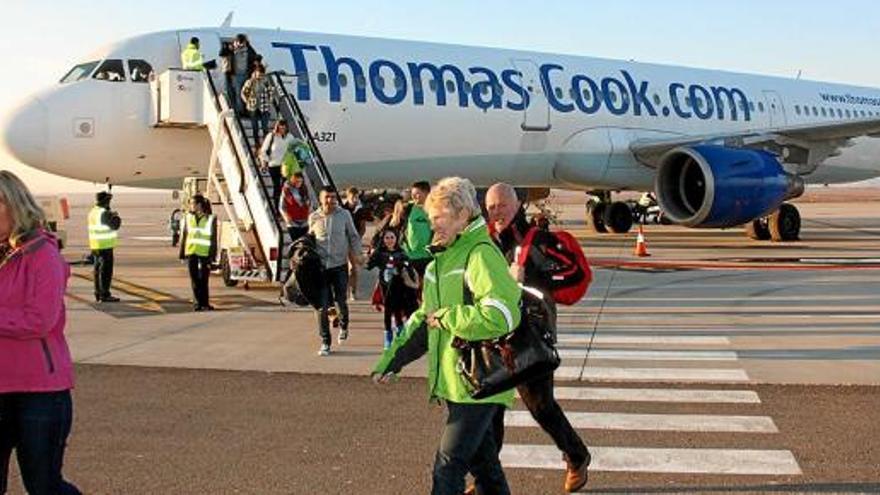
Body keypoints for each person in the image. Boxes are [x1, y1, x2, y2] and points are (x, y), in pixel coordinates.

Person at [373, 177, 520, 495]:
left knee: (447, 469)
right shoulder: (441, 260)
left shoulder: (480, 255)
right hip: (456, 382)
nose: (431, 226)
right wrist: (392, 359)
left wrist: (449, 318)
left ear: (462, 215)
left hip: (479, 382)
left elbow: (503, 315)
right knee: (486, 470)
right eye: (430, 218)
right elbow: (424, 320)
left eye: (438, 218)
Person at [483, 183, 591, 493]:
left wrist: (530, 277)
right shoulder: (485, 243)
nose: (497, 212)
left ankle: (577, 456)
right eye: (491, 207)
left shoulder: (541, 242)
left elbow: (577, 276)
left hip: (532, 340)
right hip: (495, 339)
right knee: (491, 412)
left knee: (542, 408)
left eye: (502, 205)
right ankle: (486, 480)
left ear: (517, 205)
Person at [0, 171, 81, 495]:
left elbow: (39, 320)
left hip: (39, 393)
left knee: (44, 486)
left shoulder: (42, 255)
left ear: (13, 206)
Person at [308, 187, 363, 356]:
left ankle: (344, 325)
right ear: (320, 199)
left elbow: (353, 236)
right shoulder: (314, 217)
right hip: (321, 269)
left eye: (333, 197)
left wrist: (357, 255)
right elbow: (309, 239)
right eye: (327, 197)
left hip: (339, 266)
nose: (331, 200)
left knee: (340, 300)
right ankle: (325, 341)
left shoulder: (344, 215)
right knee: (321, 307)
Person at [366, 228, 419, 349]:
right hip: (385, 287)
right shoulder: (379, 253)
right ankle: (388, 337)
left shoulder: (401, 253)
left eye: (392, 238)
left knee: (398, 309)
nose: (389, 240)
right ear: (383, 240)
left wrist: (404, 267)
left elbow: (409, 266)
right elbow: (368, 265)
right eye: (387, 238)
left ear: (396, 239)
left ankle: (400, 333)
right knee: (388, 310)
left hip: (399, 286)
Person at [178, 194, 218, 312]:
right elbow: (184, 236)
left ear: (199, 205)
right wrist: (182, 254)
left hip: (204, 254)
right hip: (191, 252)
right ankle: (197, 303)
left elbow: (213, 239)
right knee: (194, 279)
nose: (191, 206)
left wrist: (212, 256)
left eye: (192, 204)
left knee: (204, 280)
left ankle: (205, 303)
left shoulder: (210, 218)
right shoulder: (188, 217)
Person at [88, 191, 121, 303]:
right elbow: (115, 225)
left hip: (95, 245)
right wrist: (115, 216)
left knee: (97, 271)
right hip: (105, 246)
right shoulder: (104, 213)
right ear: (105, 201)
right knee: (105, 271)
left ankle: (98, 293)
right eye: (108, 200)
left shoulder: (93, 212)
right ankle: (105, 294)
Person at [260, 120, 297, 209]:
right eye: (280, 128)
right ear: (277, 127)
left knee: (285, 188)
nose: (282, 130)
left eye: (284, 128)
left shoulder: (290, 137)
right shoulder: (271, 136)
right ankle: (277, 209)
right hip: (274, 165)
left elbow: (294, 150)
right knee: (277, 187)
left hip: (285, 166)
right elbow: (263, 151)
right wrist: (267, 161)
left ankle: (285, 208)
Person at [343, 187, 372, 300]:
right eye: (352, 197)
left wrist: (357, 239)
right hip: (343, 241)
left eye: (356, 197)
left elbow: (362, 228)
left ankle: (353, 292)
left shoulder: (360, 210)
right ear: (348, 197)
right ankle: (344, 292)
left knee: (353, 268)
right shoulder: (342, 209)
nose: (355, 199)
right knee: (344, 269)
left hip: (354, 242)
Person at [402, 181, 433, 277]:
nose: (414, 197)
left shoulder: (435, 209)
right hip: (411, 256)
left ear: (427, 193)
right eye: (412, 194)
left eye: (417, 194)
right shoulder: (408, 208)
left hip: (429, 257)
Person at [241, 64, 270, 145]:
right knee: (255, 127)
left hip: (264, 107)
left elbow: (270, 91)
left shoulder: (265, 81)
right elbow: (243, 93)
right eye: (259, 74)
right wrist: (247, 101)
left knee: (265, 127)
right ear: (255, 72)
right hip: (253, 107)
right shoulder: (250, 82)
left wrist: (269, 100)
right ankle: (257, 144)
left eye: (262, 74)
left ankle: (266, 144)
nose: (261, 76)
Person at [280, 172, 310, 242]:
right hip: (293, 223)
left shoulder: (305, 189)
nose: (298, 183)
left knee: (305, 244)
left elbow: (309, 204)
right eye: (296, 181)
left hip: (305, 222)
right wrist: (286, 216)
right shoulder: (286, 190)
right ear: (292, 181)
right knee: (296, 243)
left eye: (300, 181)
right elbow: (281, 207)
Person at [231, 33, 258, 113]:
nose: (241, 44)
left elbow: (254, 57)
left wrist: (248, 45)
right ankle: (240, 110)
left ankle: (247, 109)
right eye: (239, 42)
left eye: (242, 42)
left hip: (246, 75)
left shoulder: (249, 50)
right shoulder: (233, 50)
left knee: (247, 93)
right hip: (236, 75)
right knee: (238, 94)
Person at [218, 41, 236, 107]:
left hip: (231, 72)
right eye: (231, 46)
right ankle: (230, 102)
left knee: (231, 88)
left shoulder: (232, 53)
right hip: (227, 71)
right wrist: (224, 46)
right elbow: (220, 53)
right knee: (228, 87)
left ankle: (232, 102)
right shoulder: (226, 52)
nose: (233, 47)